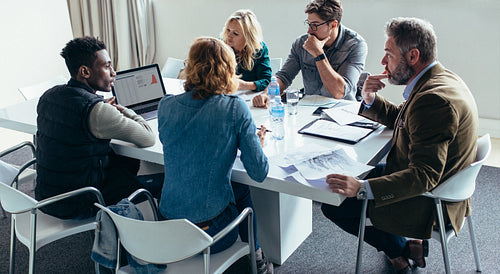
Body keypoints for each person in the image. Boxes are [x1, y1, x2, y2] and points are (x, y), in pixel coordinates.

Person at [320, 17, 479, 272]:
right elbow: (407, 120)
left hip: (429, 200)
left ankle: (399, 250)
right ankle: (406, 249)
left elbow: (424, 176)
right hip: (443, 182)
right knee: (352, 174)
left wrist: (362, 188)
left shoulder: (433, 101)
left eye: (389, 54)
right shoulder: (440, 79)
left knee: (332, 201)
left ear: (413, 55)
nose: (383, 63)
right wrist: (370, 99)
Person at [157, 37, 274, 273]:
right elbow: (259, 173)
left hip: (166, 230)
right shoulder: (233, 107)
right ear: (229, 70)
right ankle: (258, 260)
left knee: (232, 186)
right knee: (242, 189)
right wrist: (254, 144)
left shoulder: (166, 104)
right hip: (211, 235)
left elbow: (183, 146)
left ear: (189, 66)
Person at [35, 37, 160, 219]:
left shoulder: (48, 96)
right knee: (163, 181)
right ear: (85, 71)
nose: (113, 72)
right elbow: (148, 137)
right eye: (107, 66)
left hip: (47, 196)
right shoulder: (97, 110)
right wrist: (124, 110)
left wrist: (103, 109)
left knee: (122, 162)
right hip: (82, 200)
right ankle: (149, 238)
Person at [253, 0, 367, 107]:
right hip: (309, 108)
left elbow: (339, 92)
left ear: (333, 25)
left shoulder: (356, 45)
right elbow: (284, 76)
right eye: (309, 24)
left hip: (341, 111)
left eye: (315, 25)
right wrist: (267, 94)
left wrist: (318, 53)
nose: (309, 31)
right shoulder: (301, 43)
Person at [221, 9, 272, 92]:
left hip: (249, 97)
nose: (229, 36)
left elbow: (266, 81)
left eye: (235, 33)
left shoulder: (259, 49)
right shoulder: (219, 46)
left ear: (247, 37)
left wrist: (245, 85)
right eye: (228, 30)